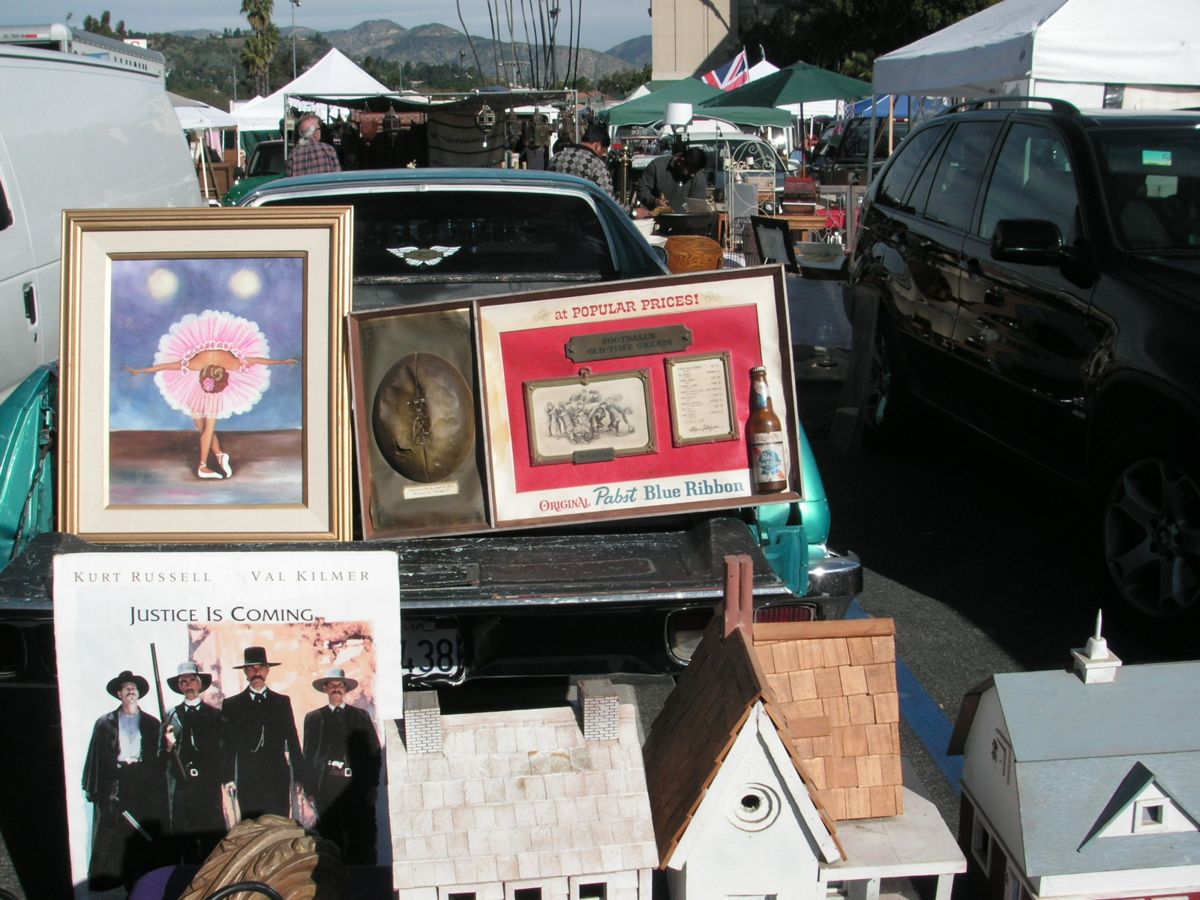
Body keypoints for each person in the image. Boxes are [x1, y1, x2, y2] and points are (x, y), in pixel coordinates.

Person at [125, 309, 299, 480]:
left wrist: (140, 371)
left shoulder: (210, 363)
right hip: (197, 393)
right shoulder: (221, 363)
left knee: (207, 429)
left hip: (209, 393)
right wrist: (281, 361)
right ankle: (220, 456)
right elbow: (256, 360)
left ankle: (203, 465)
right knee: (203, 429)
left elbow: (166, 366)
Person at [81, 670, 169, 891]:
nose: (131, 690)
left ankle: (140, 880)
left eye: (133, 688)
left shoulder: (152, 723)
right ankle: (111, 879)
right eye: (126, 688)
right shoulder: (105, 723)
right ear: (118, 694)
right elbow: (96, 758)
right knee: (113, 834)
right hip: (116, 784)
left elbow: (160, 761)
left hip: (142, 786)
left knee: (141, 836)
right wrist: (96, 790)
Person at [302, 667, 381, 864]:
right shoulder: (314, 718)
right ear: (325, 688)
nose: (336, 688)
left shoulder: (360, 716)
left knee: (359, 838)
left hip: (355, 787)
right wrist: (309, 790)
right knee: (331, 837)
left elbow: (374, 751)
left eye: (339, 685)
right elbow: (308, 755)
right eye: (332, 685)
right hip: (327, 788)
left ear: (345, 689)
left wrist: (372, 785)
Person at [220, 646, 304, 821]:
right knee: (252, 827)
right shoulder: (232, 705)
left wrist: (300, 777)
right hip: (248, 779)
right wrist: (228, 778)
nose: (256, 672)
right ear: (245, 671)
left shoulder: (282, 702)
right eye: (251, 668)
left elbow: (293, 739)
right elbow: (227, 745)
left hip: (277, 778)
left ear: (267, 670)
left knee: (279, 826)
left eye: (260, 668)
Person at [163, 661, 225, 864]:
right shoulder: (170, 716)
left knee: (211, 843)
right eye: (183, 682)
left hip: (208, 788)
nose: (188, 685)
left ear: (199, 683)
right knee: (186, 844)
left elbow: (222, 752)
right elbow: (161, 755)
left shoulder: (215, 715)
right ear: (179, 686)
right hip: (183, 789)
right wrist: (168, 746)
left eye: (192, 680)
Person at [548, 122, 614, 197]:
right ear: (597, 146)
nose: (603, 155)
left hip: (554, 202)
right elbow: (606, 196)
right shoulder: (597, 164)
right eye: (603, 151)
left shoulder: (556, 157)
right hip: (580, 204)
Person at [636, 146, 709, 214]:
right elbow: (642, 189)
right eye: (690, 171)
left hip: (686, 221)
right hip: (657, 219)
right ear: (680, 161)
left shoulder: (699, 177)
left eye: (695, 172)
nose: (692, 175)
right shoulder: (657, 166)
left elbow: (697, 209)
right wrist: (653, 201)